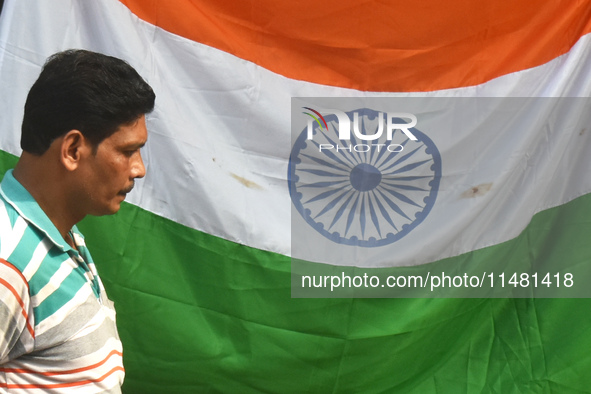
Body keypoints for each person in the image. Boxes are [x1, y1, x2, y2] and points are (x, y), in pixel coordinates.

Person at [0, 49, 155, 393]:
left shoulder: (59, 233)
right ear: (72, 150)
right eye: (127, 151)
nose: (138, 169)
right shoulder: (9, 259)